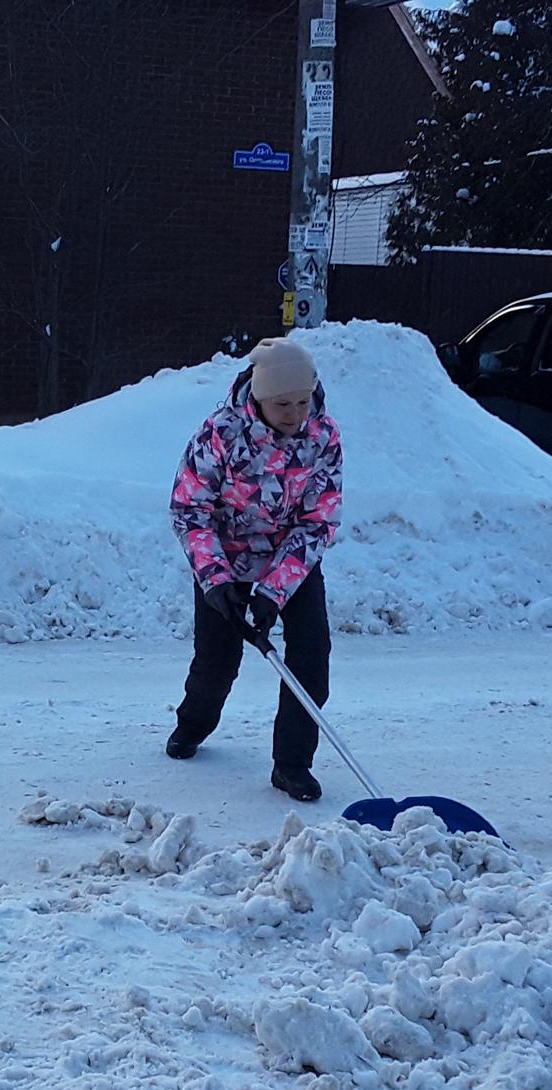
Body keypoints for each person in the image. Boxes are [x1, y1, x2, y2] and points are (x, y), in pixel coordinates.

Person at [166, 336, 342, 802]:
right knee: (216, 663)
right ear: (260, 399)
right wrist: (216, 581)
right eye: (283, 403)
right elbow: (190, 510)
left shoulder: (323, 437)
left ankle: (292, 763)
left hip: (292, 563)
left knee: (311, 657)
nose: (295, 413)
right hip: (224, 560)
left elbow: (318, 519)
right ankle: (193, 724)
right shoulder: (220, 434)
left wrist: (274, 591)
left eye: (303, 401)